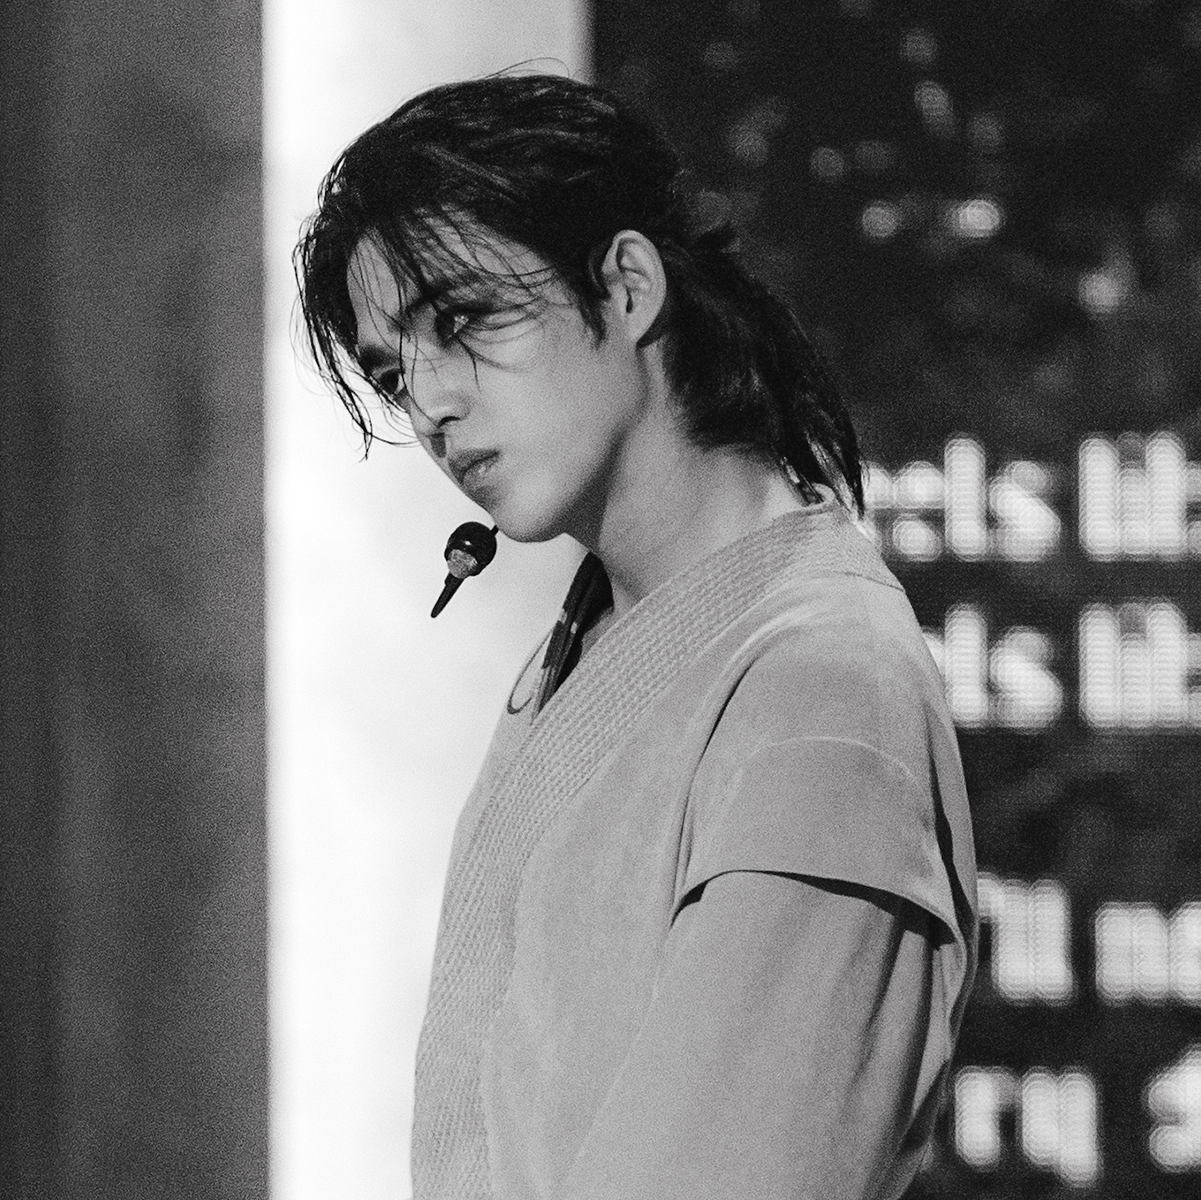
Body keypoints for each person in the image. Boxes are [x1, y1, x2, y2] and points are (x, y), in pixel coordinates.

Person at [294, 72, 978, 1200]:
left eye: (461, 321)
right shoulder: (587, 643)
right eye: (392, 370)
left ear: (624, 287)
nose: (429, 404)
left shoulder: (820, 683)